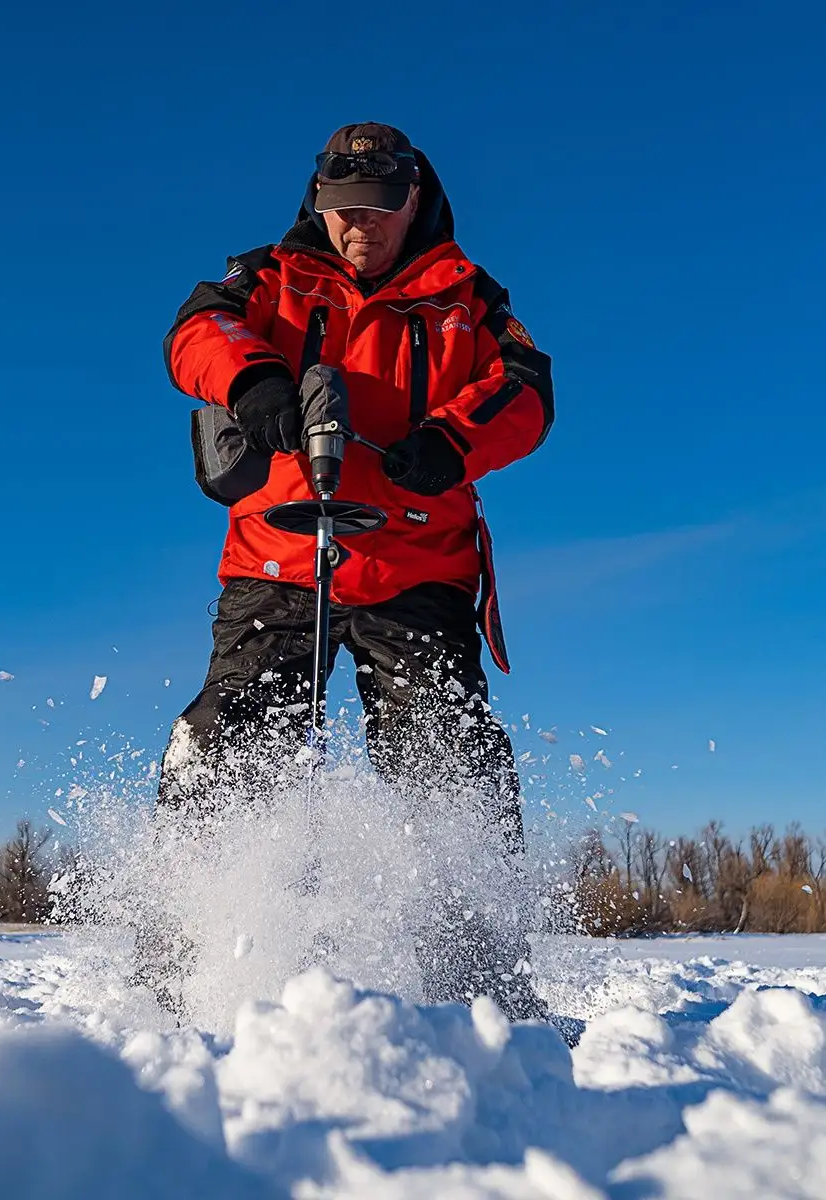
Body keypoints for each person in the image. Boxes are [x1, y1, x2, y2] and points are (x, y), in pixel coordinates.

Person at [154, 122, 555, 1018]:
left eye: (377, 207)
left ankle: (483, 996)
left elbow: (527, 389)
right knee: (224, 752)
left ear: (416, 198)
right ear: (318, 200)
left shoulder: (470, 298)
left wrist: (453, 442)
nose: (358, 227)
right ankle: (177, 983)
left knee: (450, 767)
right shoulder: (267, 276)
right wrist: (251, 378)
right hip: (280, 556)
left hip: (420, 562)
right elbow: (197, 329)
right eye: (341, 209)